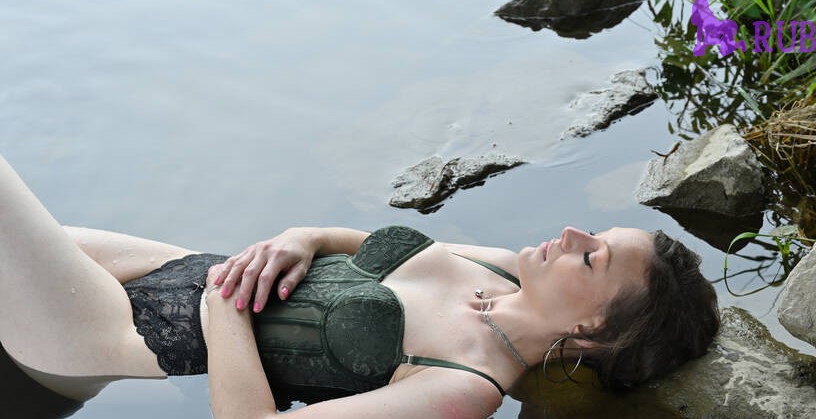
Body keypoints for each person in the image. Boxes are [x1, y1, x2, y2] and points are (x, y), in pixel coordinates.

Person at [0, 155, 720, 419]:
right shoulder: (501, 265)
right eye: (595, 231)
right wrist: (304, 236)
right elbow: (363, 246)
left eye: (592, 259)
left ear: (591, 331)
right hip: (165, 264)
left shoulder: (466, 386)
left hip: (103, 335)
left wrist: (225, 309)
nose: (571, 233)